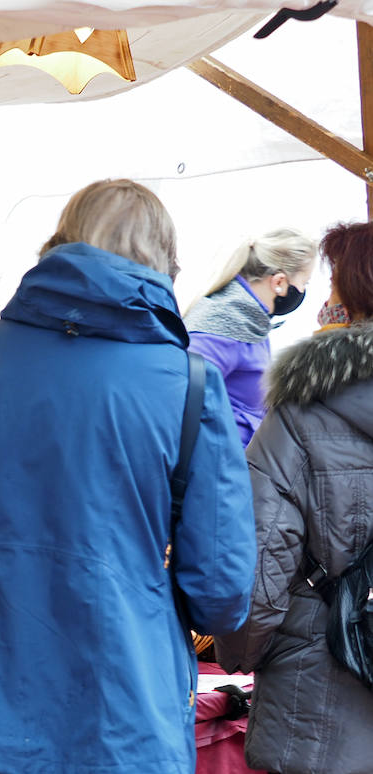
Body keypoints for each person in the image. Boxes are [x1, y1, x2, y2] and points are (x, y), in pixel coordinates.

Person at [0, 179, 257, 774]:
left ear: (59, 243)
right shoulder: (188, 384)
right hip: (119, 698)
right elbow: (221, 591)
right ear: (164, 263)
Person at [214, 221, 373, 774]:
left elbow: (258, 569)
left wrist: (236, 654)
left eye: (333, 290)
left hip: (318, 705)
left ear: (352, 302)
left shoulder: (300, 414)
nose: (322, 304)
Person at [184, 229, 317, 445]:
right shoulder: (224, 323)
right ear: (279, 282)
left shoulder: (250, 320)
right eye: (305, 282)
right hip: (219, 467)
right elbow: (185, 401)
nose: (302, 290)